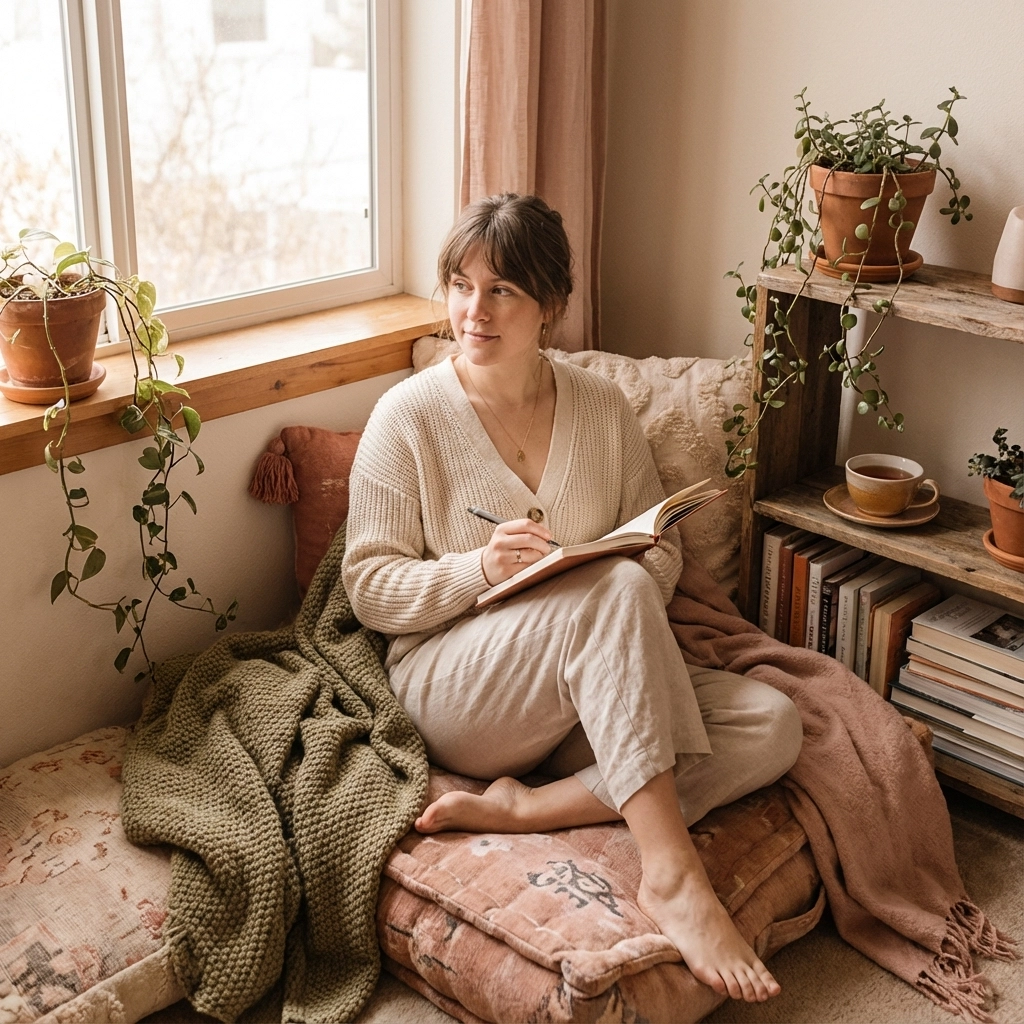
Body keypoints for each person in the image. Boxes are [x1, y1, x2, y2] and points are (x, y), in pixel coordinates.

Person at [342, 193, 803, 1004]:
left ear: (551, 305)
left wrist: (587, 569)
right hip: (457, 684)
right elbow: (370, 588)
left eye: (501, 291)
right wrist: (479, 572)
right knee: (614, 589)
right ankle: (671, 875)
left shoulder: (601, 407)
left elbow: (657, 554)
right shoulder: (406, 416)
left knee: (772, 723)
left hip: (584, 686)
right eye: (459, 284)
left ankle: (529, 810)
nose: (471, 310)